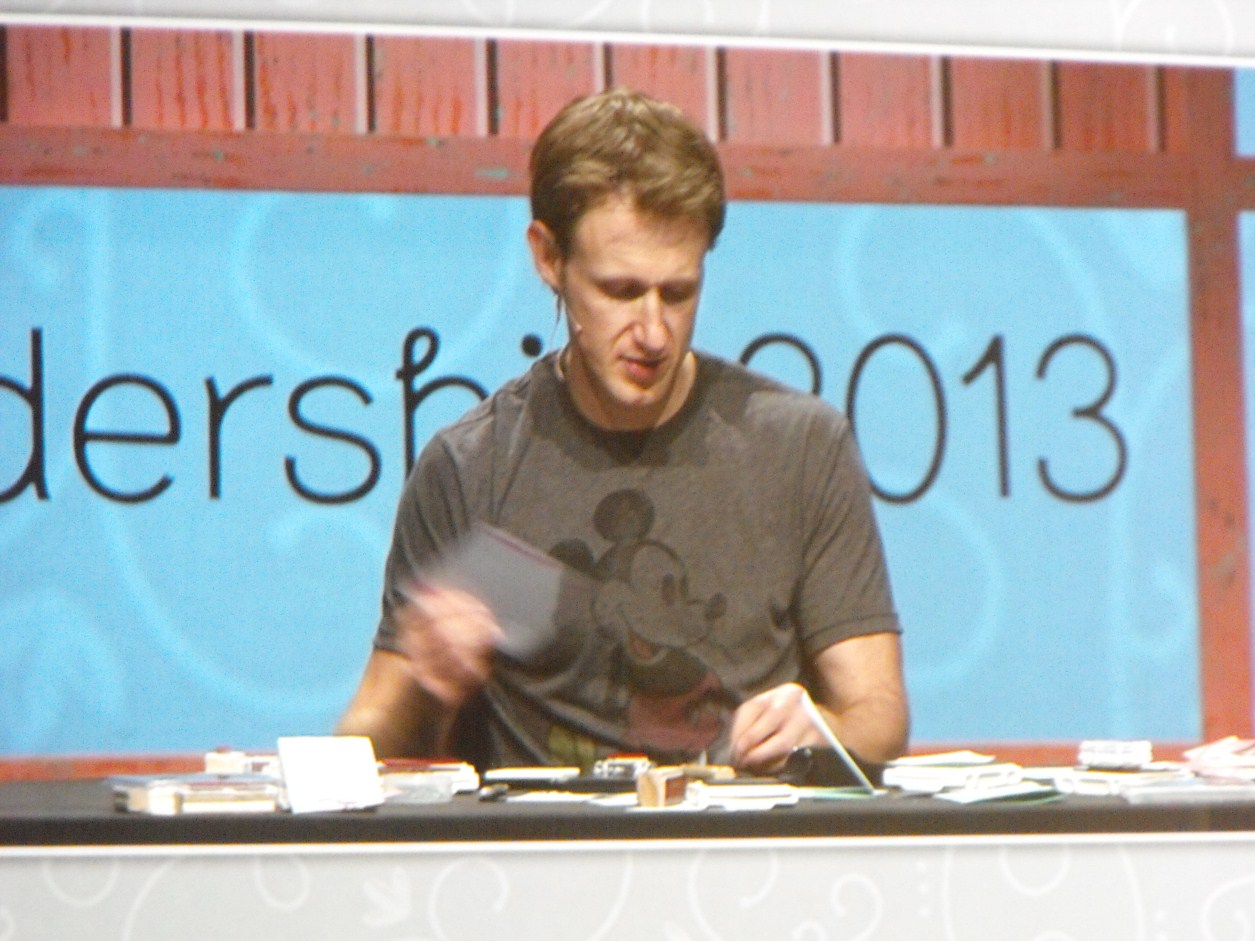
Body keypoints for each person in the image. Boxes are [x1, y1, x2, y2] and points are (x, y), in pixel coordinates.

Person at [336, 87, 908, 773]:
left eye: (678, 292)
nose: (653, 332)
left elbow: (879, 718)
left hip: (742, 834)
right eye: (620, 291)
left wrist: (821, 728)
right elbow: (363, 745)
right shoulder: (470, 467)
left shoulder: (802, 447)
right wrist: (424, 683)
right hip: (546, 840)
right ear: (548, 257)